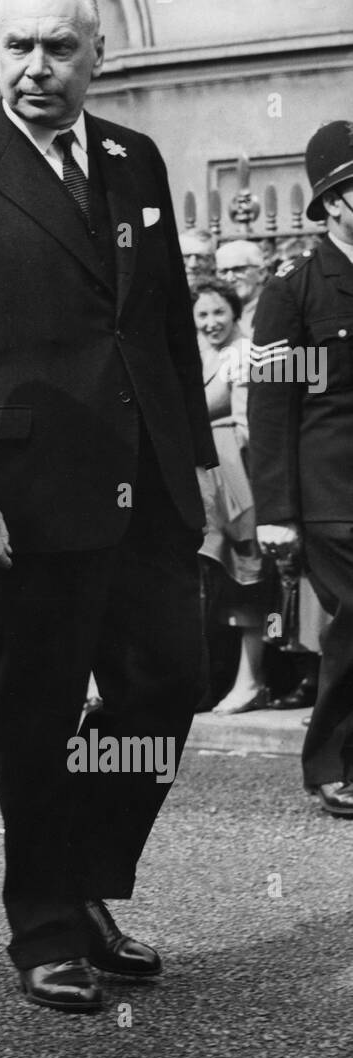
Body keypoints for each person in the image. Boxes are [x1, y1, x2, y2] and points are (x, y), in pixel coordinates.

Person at [0, 0, 214, 1013]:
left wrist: (198, 468)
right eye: (16, 46)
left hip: (147, 486)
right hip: (21, 497)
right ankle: (44, 926)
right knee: (35, 710)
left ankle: (85, 880)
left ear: (95, 55)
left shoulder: (135, 160)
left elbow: (164, 333)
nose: (36, 68)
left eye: (58, 48)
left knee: (168, 683)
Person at [249, 120, 353, 820]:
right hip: (330, 490)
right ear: (337, 200)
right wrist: (275, 511)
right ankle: (331, 764)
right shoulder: (294, 285)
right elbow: (270, 405)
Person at [192, 277, 267, 713]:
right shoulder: (201, 356)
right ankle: (211, 678)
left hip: (237, 480)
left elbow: (247, 425)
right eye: (202, 314)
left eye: (219, 312)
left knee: (246, 575)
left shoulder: (245, 354)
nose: (210, 322)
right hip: (205, 480)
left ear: (235, 313)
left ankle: (251, 679)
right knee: (210, 581)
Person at [216, 239, 266, 338]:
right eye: (224, 272)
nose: (230, 279)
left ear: (261, 273)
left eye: (238, 269)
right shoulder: (216, 311)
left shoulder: (274, 307)